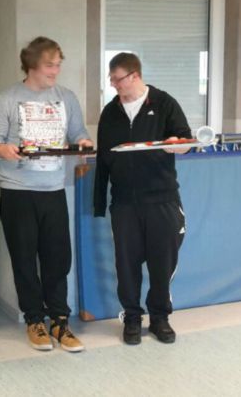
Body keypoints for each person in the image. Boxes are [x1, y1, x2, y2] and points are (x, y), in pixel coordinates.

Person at [0, 36, 92, 353]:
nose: (55, 71)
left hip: (53, 190)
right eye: (49, 65)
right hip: (17, 192)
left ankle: (60, 321)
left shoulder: (66, 98)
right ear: (31, 64)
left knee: (58, 259)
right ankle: (34, 320)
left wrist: (84, 143)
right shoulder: (6, 99)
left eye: (58, 65)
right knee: (24, 260)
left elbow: (78, 133)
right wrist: (1, 149)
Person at [93, 52, 191, 346]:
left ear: (134, 76)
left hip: (162, 199)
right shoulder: (110, 112)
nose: (114, 85)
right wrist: (99, 202)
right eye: (111, 79)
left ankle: (160, 318)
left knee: (162, 262)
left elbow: (185, 140)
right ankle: (132, 318)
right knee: (127, 264)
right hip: (124, 202)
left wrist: (177, 144)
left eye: (117, 79)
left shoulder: (163, 103)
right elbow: (103, 160)